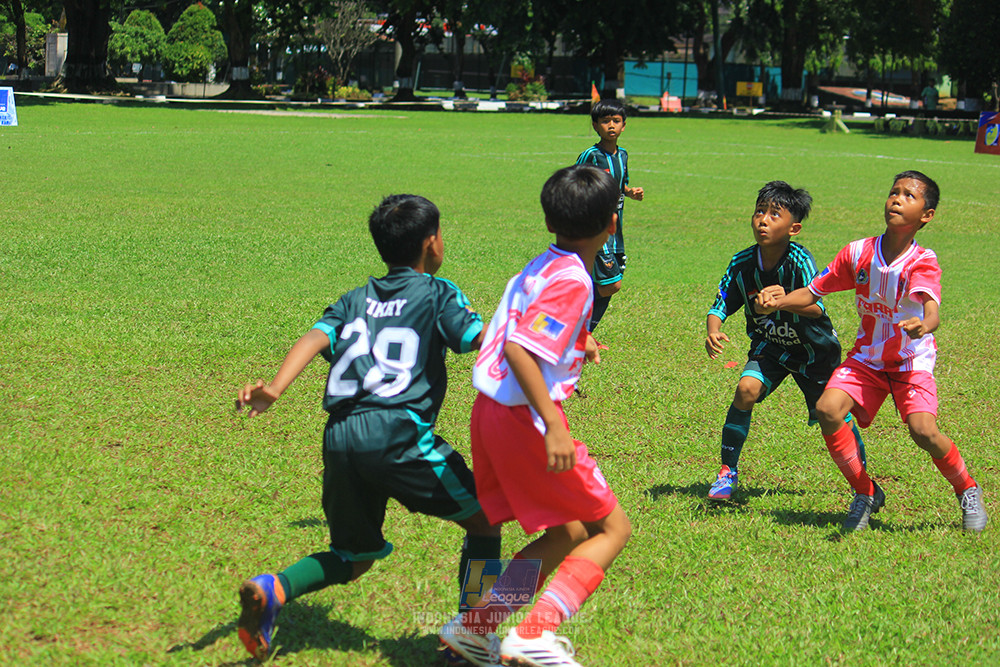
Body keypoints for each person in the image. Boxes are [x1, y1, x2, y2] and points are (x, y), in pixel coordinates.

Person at [233, 194, 501, 661]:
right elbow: (483, 339)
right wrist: (553, 343)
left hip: (340, 436)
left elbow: (316, 337)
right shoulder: (437, 293)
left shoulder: (355, 299)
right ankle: (474, 634)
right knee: (486, 519)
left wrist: (275, 387)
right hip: (398, 434)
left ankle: (274, 588)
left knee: (353, 557)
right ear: (432, 243)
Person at [438, 165, 632, 667]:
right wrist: (555, 426)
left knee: (568, 532)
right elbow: (521, 348)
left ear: (550, 222)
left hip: (490, 412)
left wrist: (580, 339)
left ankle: (475, 628)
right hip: (524, 417)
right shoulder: (574, 280)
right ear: (612, 224)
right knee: (611, 529)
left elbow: (527, 321)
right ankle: (534, 634)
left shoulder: (545, 264)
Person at [759, 171, 988, 533]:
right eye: (894, 192)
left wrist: (924, 325)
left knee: (923, 431)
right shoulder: (857, 253)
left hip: (911, 361)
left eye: (909, 195)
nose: (897, 199)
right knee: (827, 409)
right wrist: (781, 301)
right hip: (867, 358)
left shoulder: (922, 260)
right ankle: (865, 493)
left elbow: (932, 309)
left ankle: (967, 489)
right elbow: (814, 291)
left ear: (926, 215)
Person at [705, 181, 866, 500]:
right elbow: (721, 301)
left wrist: (781, 301)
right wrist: (713, 328)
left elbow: (816, 307)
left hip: (814, 351)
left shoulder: (799, 260)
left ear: (794, 228)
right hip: (771, 346)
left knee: (831, 416)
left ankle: (861, 482)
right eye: (759, 212)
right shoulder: (742, 263)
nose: (763, 220)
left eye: (774, 215)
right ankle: (727, 472)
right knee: (745, 390)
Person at [575, 98, 644, 334]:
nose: (611, 125)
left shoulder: (623, 155)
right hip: (596, 229)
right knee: (611, 284)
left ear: (624, 125)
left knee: (606, 285)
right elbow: (573, 184)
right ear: (595, 125)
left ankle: (583, 335)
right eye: (605, 121)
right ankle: (575, 326)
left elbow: (621, 183)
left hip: (616, 231)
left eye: (616, 121)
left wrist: (630, 192)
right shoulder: (591, 156)